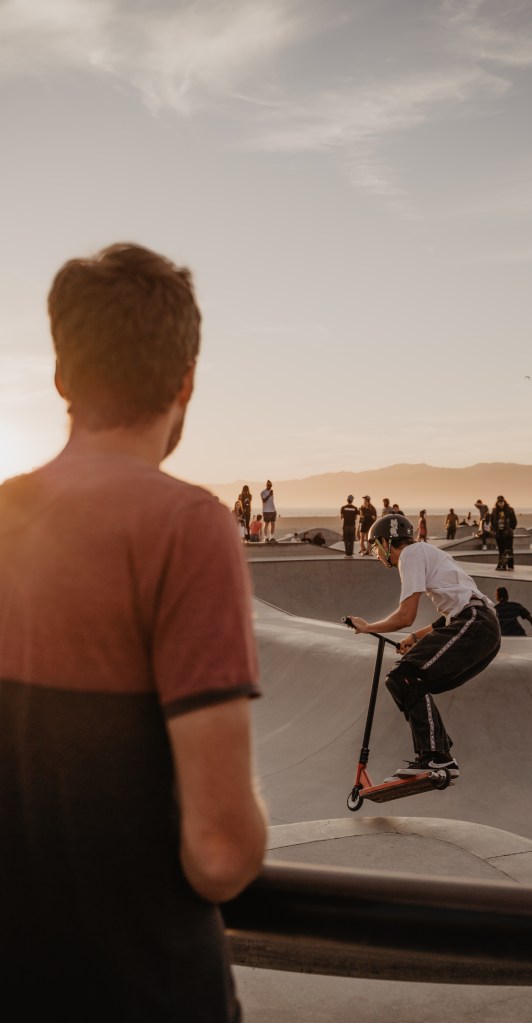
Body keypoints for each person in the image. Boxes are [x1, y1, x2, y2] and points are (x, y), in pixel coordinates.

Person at [0, 243, 267, 1020]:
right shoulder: (186, 525)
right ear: (185, 381)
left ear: (62, 376)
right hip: (143, 987)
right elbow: (220, 853)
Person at [347, 514, 500, 776]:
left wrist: (368, 626)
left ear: (386, 542)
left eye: (375, 548)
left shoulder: (410, 554)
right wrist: (416, 637)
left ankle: (436, 755)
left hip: (475, 623)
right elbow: (453, 612)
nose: (376, 555)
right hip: (481, 628)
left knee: (403, 677)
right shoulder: (429, 553)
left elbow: (405, 616)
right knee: (412, 681)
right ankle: (439, 755)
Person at [491, 495, 518, 571]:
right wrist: (494, 530)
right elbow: (492, 521)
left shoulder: (510, 510)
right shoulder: (494, 511)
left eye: (502, 502)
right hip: (499, 533)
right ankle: (502, 565)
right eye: (499, 502)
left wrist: (510, 528)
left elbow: (514, 521)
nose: (501, 503)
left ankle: (510, 566)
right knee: (501, 550)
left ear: (504, 501)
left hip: (507, 533)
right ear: (497, 502)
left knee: (508, 550)